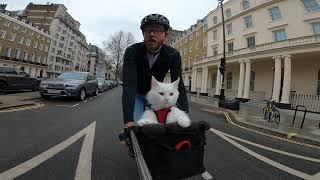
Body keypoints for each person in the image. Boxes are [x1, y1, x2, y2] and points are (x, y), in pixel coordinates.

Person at [122, 13, 189, 130]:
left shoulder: (173, 54)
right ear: (143, 33)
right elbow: (129, 86)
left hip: (157, 96)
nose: (152, 34)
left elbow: (178, 85)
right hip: (137, 94)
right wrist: (128, 121)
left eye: (158, 30)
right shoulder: (132, 51)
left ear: (166, 35)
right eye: (147, 30)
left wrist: (185, 113)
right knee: (138, 129)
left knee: (164, 129)